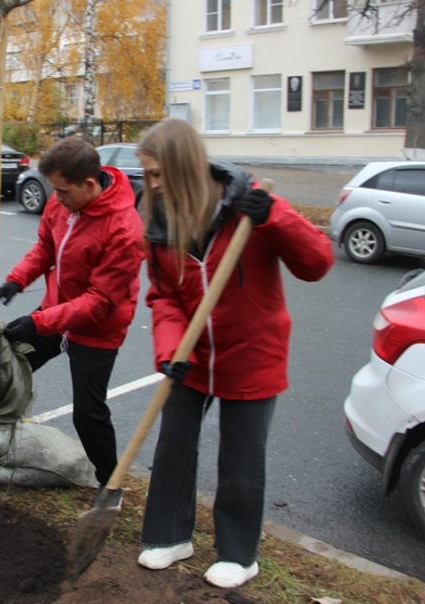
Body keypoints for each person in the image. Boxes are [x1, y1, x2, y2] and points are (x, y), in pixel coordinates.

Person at [134, 118, 334, 588]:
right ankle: (169, 535)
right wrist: (168, 351)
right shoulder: (160, 221)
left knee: (241, 459)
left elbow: (318, 262)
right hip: (192, 354)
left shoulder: (250, 208)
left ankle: (239, 554)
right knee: (173, 446)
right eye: (148, 175)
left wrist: (275, 218)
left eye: (159, 174)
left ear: (185, 167)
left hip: (252, 354)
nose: (152, 185)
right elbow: (163, 296)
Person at [0, 137, 145, 500]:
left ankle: (110, 485)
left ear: (90, 184)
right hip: (54, 312)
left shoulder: (125, 230)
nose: (56, 199)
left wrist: (39, 323)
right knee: (5, 365)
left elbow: (98, 302)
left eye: (63, 191)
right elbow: (45, 248)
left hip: (98, 329)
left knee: (88, 413)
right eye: (53, 190)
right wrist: (16, 281)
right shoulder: (62, 202)